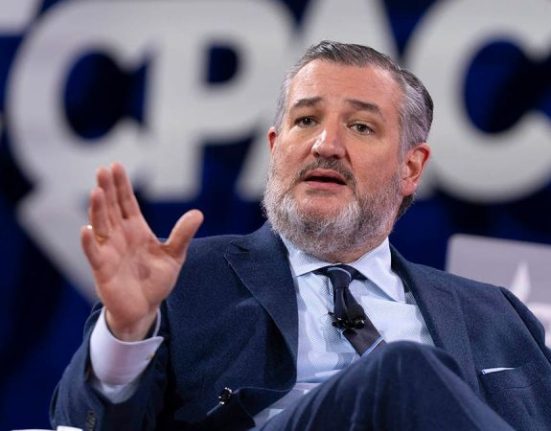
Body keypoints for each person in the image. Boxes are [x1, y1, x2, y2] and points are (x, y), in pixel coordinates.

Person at [50, 41, 551, 431]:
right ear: (275, 148)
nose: (325, 144)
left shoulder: (496, 312)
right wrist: (126, 332)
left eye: (361, 127)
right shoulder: (184, 282)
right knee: (400, 369)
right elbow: (82, 423)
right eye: (306, 120)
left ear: (411, 168)